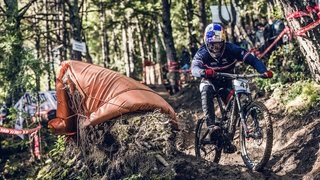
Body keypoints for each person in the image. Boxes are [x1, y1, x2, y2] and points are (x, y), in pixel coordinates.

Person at [191, 23, 273, 153]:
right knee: (206, 90)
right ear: (207, 43)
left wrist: (263, 71)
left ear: (223, 42)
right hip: (210, 81)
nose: (215, 48)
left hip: (227, 82)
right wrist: (204, 72)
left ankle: (228, 137)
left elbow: (251, 59)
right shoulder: (202, 53)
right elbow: (194, 68)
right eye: (212, 44)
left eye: (218, 44)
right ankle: (212, 126)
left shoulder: (232, 49)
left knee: (236, 101)